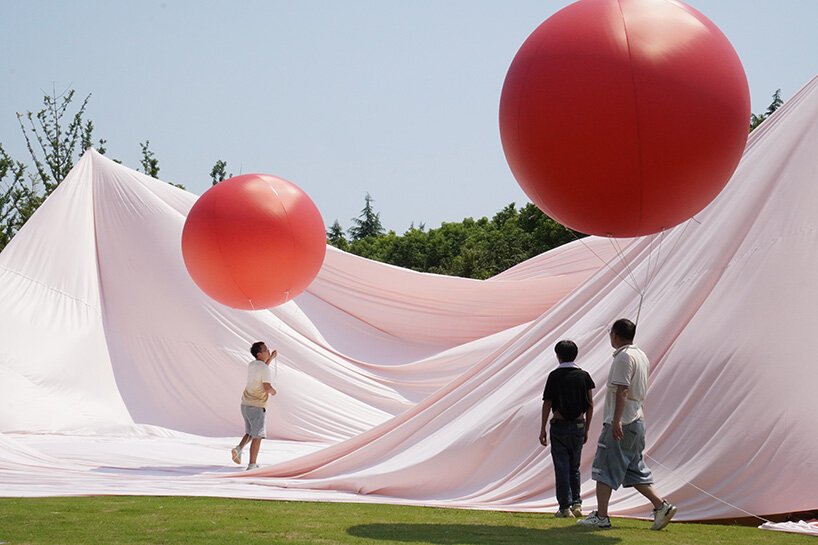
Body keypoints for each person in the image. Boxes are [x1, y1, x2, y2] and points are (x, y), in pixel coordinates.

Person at [577, 319, 677, 530]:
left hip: (624, 420)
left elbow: (622, 389)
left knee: (604, 467)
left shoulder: (624, 357)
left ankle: (602, 517)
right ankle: (661, 506)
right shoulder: (640, 355)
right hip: (637, 418)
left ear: (615, 334)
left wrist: (616, 421)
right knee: (633, 469)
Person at [540, 340, 595, 518]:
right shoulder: (584, 376)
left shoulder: (554, 376)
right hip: (579, 424)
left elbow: (547, 403)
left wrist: (542, 428)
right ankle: (577, 503)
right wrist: (586, 428)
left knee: (561, 465)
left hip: (560, 424)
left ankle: (565, 506)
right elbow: (590, 405)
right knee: (574, 466)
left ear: (558, 355)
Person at [231, 341, 277, 470]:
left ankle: (239, 449)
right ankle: (252, 465)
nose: (268, 351)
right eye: (266, 350)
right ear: (259, 354)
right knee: (258, 436)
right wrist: (273, 392)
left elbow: (262, 368)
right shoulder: (264, 368)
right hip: (257, 406)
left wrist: (271, 359)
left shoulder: (252, 365)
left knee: (250, 432)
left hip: (245, 404)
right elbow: (267, 387)